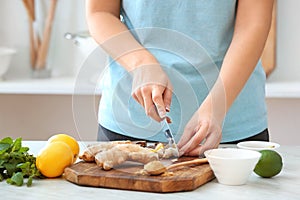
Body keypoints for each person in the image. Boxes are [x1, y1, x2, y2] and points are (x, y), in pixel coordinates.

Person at [86, 0, 274, 156]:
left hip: (233, 127)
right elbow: (100, 12)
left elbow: (253, 22)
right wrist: (141, 63)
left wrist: (217, 106)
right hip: (127, 126)